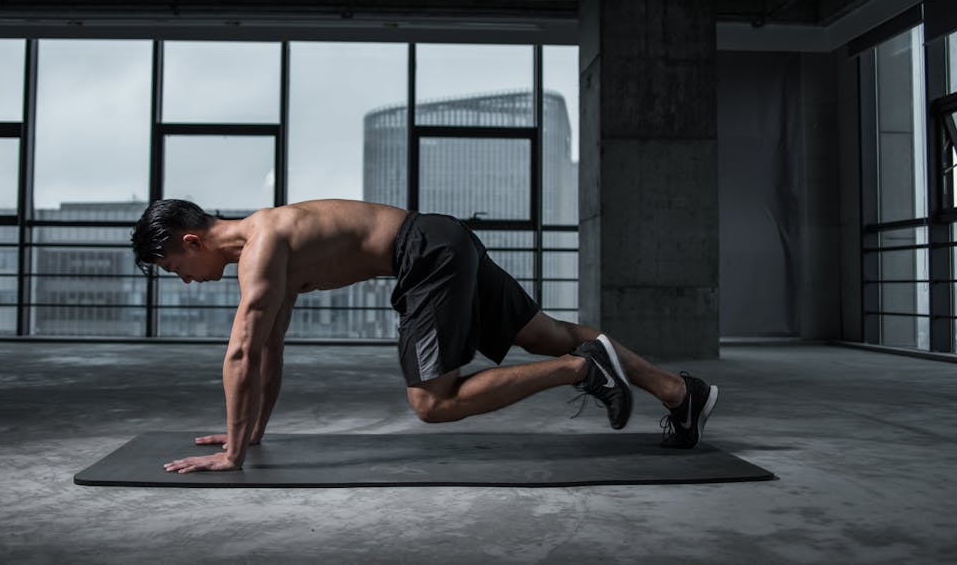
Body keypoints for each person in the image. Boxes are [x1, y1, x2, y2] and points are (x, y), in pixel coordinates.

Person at [130, 198, 719, 473]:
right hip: (440, 237)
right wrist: (251, 433)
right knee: (548, 332)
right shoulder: (268, 241)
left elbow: (240, 351)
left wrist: (232, 457)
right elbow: (268, 348)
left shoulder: (260, 249)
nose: (185, 281)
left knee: (433, 402)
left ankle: (583, 370)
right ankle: (679, 392)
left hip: (425, 253)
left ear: (191, 242)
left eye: (176, 271)